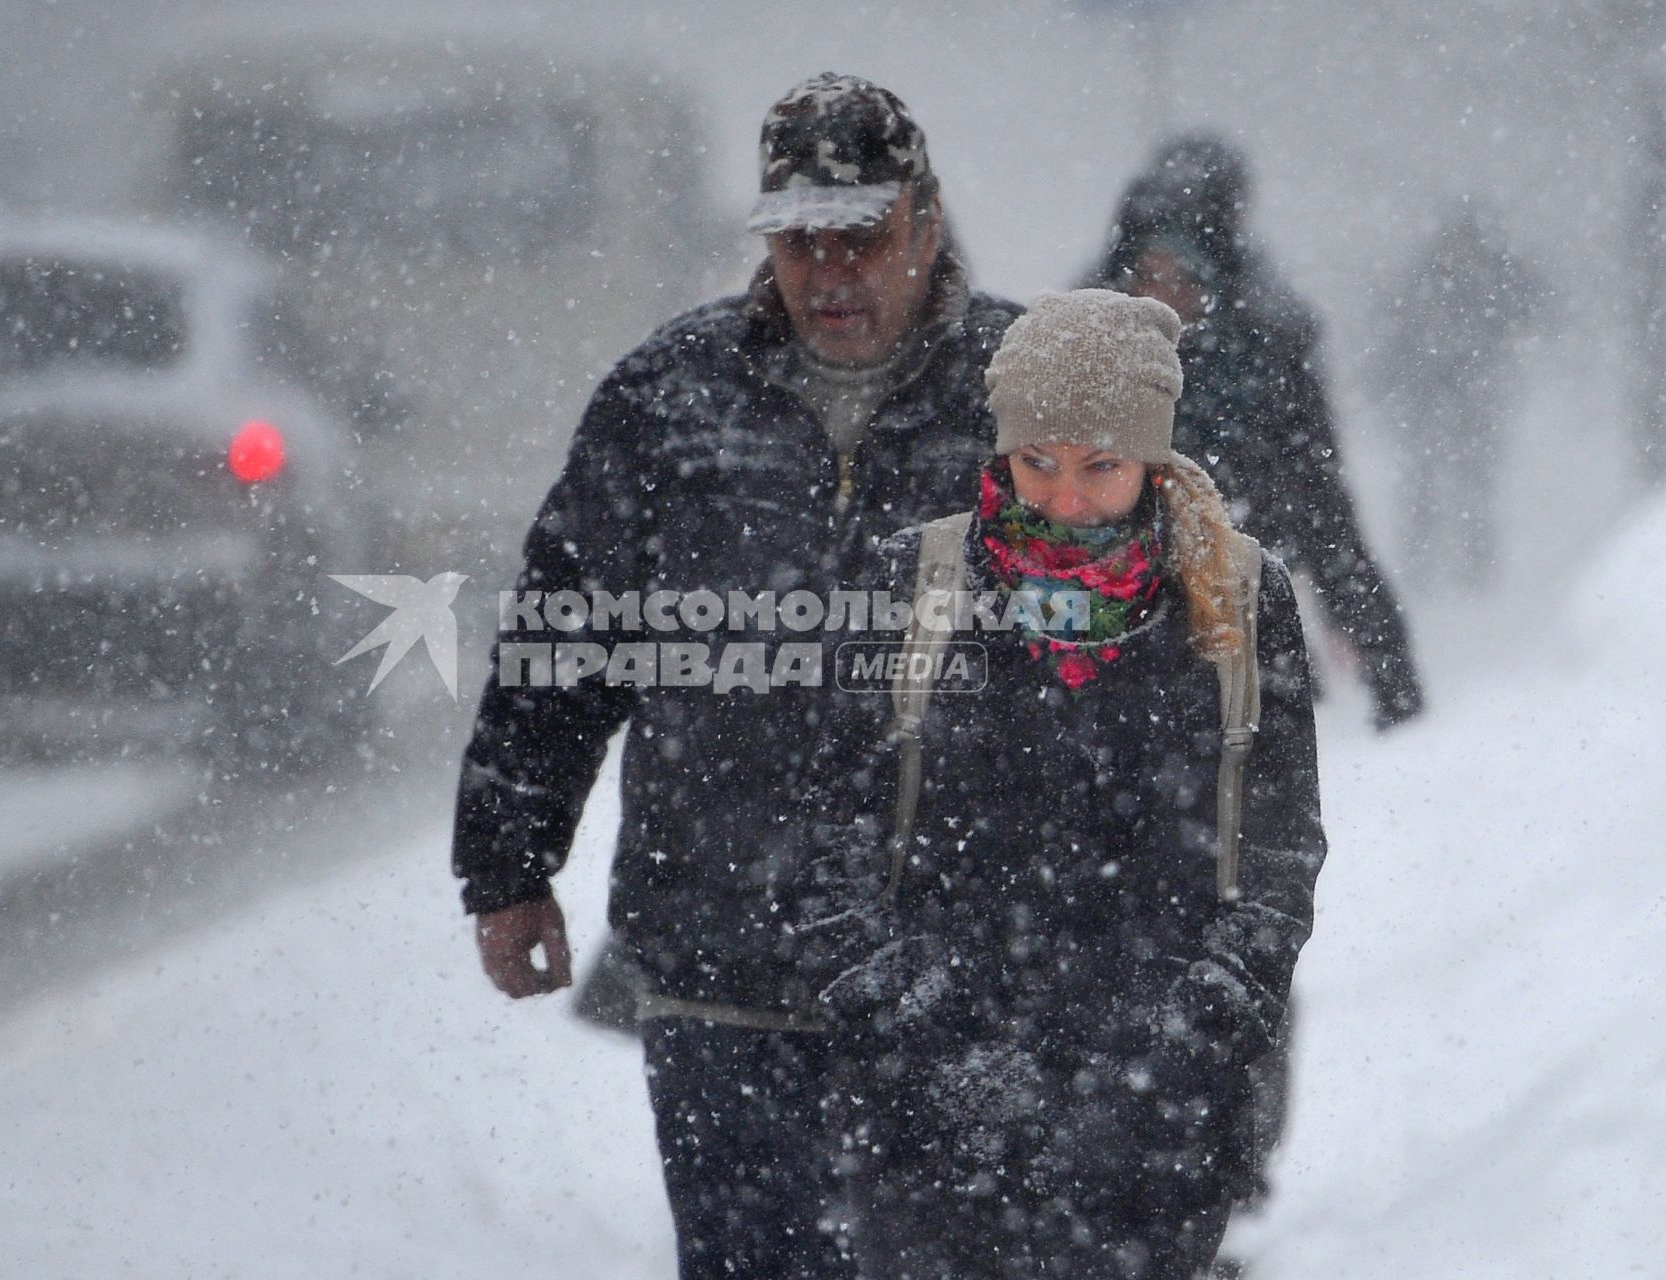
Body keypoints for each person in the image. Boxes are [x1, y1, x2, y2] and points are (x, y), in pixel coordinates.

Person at [452, 73, 1023, 1279]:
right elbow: (563, 637)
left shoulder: (1023, 404)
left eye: (861, 238)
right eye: (798, 240)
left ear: (923, 222)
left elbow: (1119, 669)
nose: (830, 273)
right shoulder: (671, 399)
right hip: (723, 959)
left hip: (957, 969)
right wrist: (507, 862)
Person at [792, 290, 1329, 1279]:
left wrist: (1193, 1031)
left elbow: (1278, 847)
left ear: (1153, 463)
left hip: (1156, 1121)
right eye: (1037, 461)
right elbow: (829, 829)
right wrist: (909, 1018)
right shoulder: (915, 586)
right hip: (926, 1110)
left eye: (1100, 467)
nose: (1065, 499)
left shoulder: (1240, 598)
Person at [1087, 132, 1425, 730]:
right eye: (1149, 277)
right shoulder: (1089, 342)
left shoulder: (1271, 347)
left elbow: (1324, 513)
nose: (1163, 298)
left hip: (1243, 605)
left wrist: (1387, 676)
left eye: (1181, 280)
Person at [1374, 202, 1543, 585]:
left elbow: (1393, 335)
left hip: (1438, 395)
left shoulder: (1428, 281)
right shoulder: (1487, 282)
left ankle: (1446, 559)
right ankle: (1468, 559)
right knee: (1461, 477)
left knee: (1439, 478)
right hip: (1457, 394)